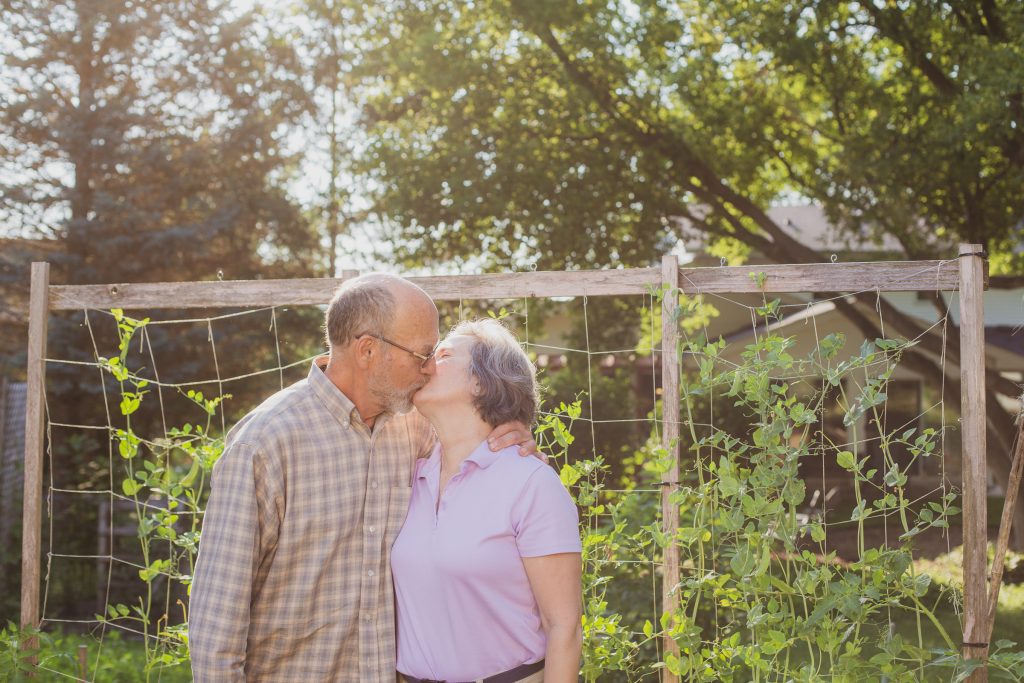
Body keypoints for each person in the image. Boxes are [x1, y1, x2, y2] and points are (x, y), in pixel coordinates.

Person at [188, 274, 537, 682]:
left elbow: (484, 471)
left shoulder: (419, 430)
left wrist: (513, 439)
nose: (428, 369)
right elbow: (217, 624)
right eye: (421, 354)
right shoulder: (265, 444)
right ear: (368, 350)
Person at [391, 319, 583, 683]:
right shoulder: (406, 474)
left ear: (482, 381)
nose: (424, 362)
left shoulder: (531, 483)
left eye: (442, 354)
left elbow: (564, 628)